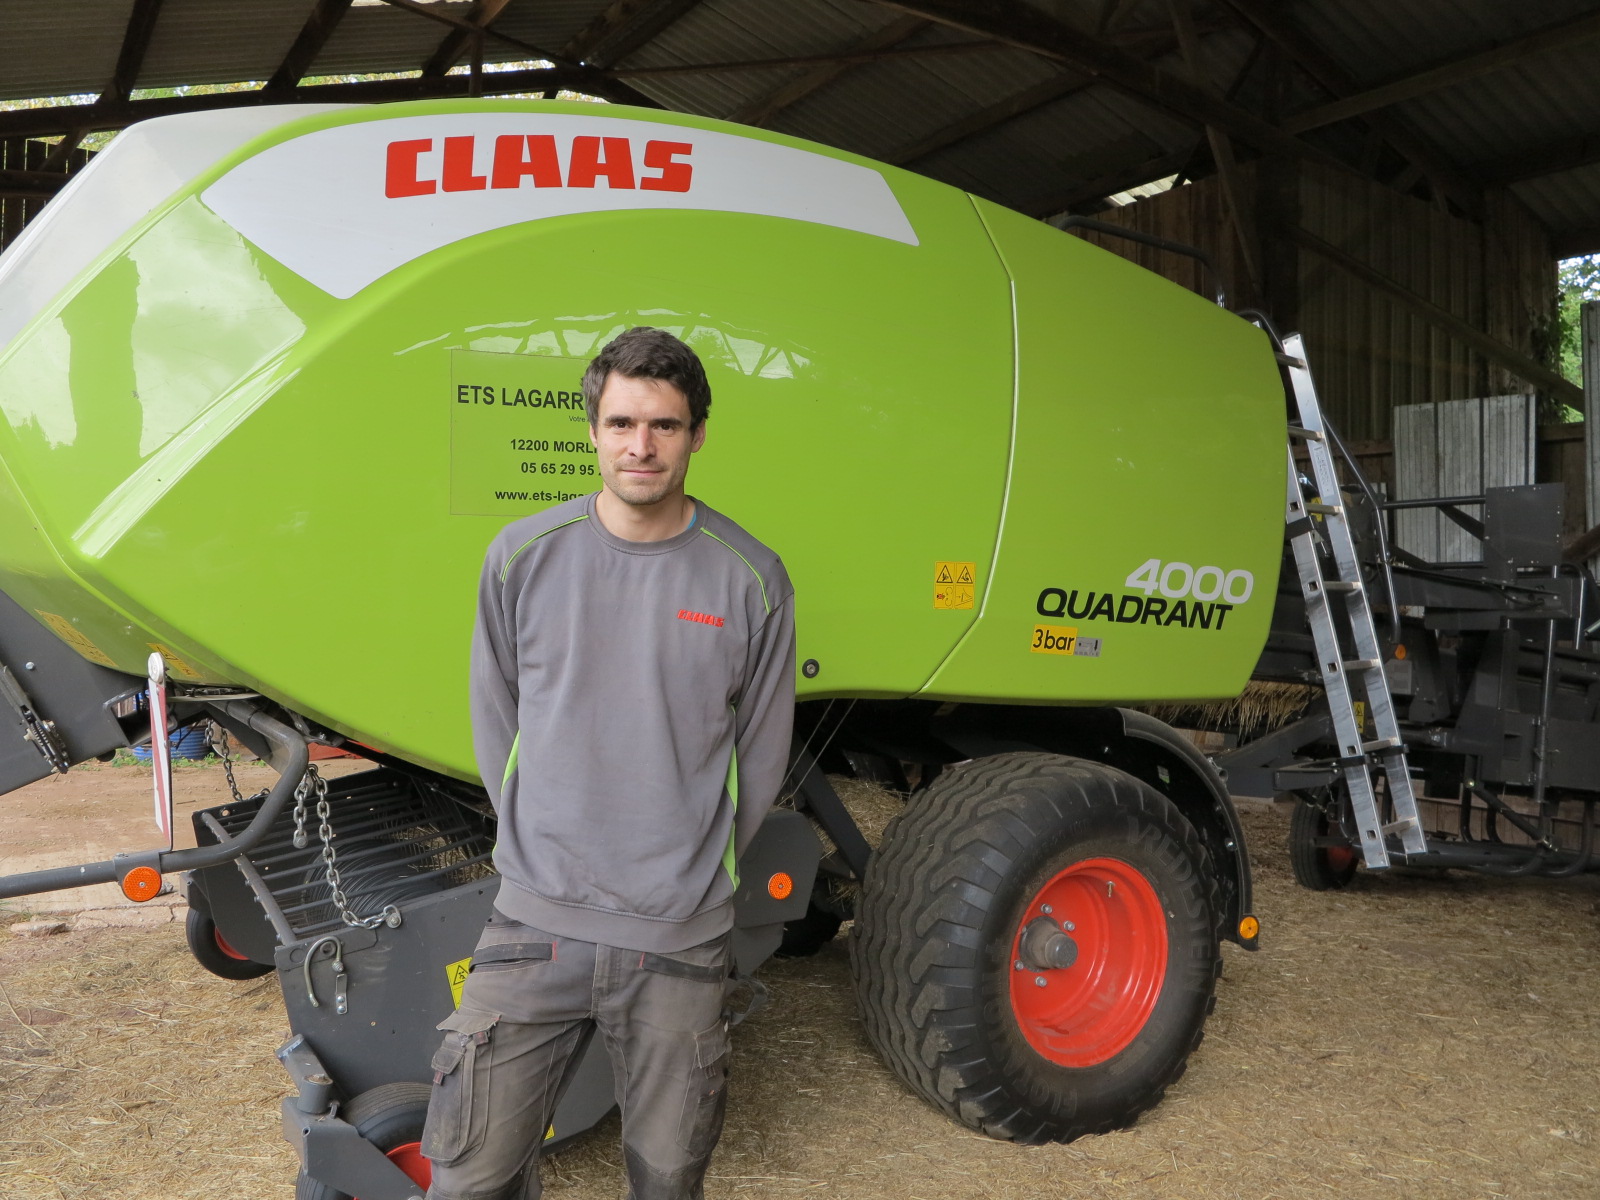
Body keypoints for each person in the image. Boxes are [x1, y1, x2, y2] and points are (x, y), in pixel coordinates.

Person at [423, 326, 796, 1200]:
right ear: (590, 429)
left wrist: (686, 872)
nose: (641, 446)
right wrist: (541, 841)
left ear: (698, 433)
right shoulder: (521, 557)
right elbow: (495, 721)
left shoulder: (751, 579)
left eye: (664, 425)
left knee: (667, 1183)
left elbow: (762, 754)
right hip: (531, 927)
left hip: (677, 938)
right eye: (622, 422)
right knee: (467, 1177)